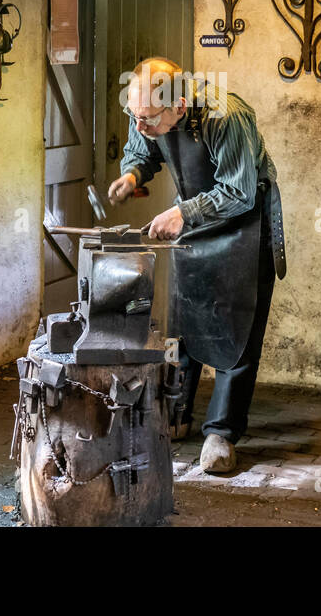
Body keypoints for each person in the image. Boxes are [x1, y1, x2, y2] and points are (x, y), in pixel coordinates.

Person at [108, 58, 286, 473]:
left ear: (181, 107)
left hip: (243, 223)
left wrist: (182, 215)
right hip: (195, 216)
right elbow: (143, 146)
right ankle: (176, 416)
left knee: (235, 331)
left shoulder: (228, 116)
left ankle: (221, 433)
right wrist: (133, 175)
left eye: (149, 118)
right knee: (183, 322)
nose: (140, 125)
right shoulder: (149, 108)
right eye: (134, 115)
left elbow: (239, 193)